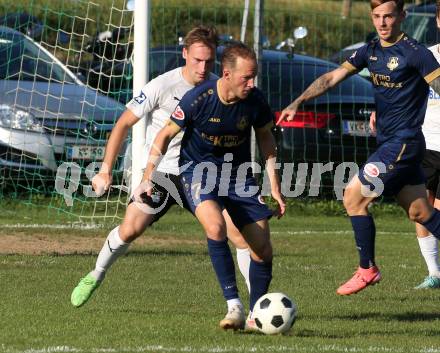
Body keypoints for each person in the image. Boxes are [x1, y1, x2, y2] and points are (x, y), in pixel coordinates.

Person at [70, 26, 252, 308]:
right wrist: (105, 169)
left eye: (209, 61)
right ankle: (96, 274)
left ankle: (255, 304)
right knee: (130, 229)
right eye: (197, 60)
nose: (203, 68)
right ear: (184, 55)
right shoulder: (162, 85)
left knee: (238, 234)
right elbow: (122, 124)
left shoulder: (219, 87)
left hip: (200, 174)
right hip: (162, 173)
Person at [278, 0, 440, 296]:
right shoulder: (370, 51)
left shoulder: (416, 54)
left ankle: (368, 269)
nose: (382, 23)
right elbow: (331, 77)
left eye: (389, 16)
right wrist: (298, 101)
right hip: (390, 143)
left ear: (402, 16)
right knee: (422, 214)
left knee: (353, 196)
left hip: (402, 144)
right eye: (377, 16)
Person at [139, 42, 285, 330]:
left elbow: (266, 138)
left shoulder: (255, 101)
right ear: (227, 74)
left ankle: (256, 316)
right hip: (198, 171)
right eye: (246, 77)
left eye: (254, 76)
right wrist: (148, 176)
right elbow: (164, 135)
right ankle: (234, 307)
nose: (251, 83)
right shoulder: (199, 99)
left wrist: (275, 186)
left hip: (238, 176)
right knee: (216, 227)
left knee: (262, 249)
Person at [413, 0, 440, 289]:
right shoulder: (426, 57)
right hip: (427, 142)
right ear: (438, 21)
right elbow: (405, 95)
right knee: (422, 206)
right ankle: (434, 273)